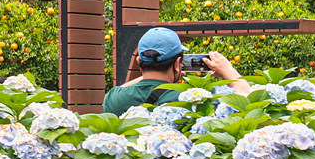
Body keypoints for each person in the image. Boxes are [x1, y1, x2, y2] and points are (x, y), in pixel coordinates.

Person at [103, 27, 250, 117]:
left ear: (138, 61)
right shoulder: (190, 99)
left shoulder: (113, 98)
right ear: (178, 63)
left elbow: (121, 88)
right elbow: (246, 98)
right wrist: (228, 70)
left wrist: (148, 72)